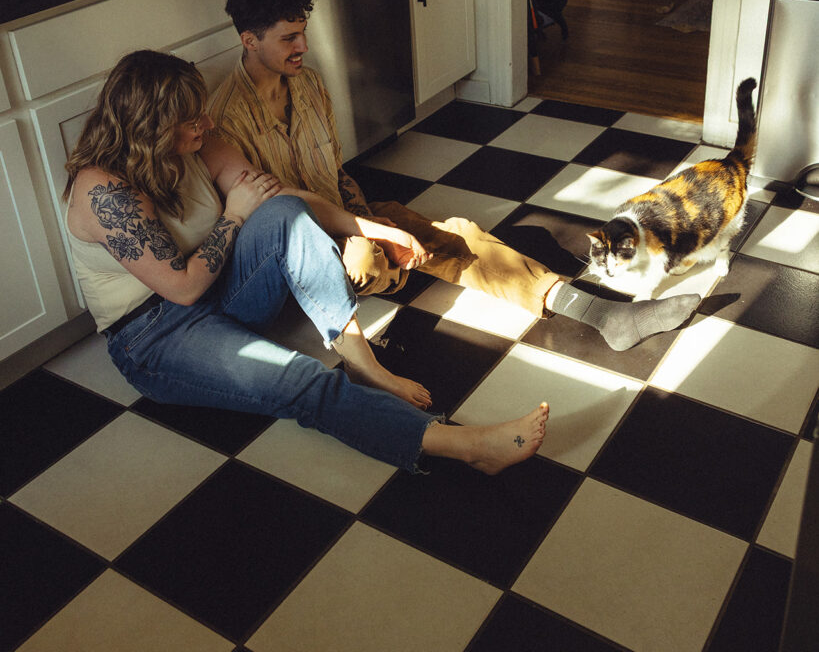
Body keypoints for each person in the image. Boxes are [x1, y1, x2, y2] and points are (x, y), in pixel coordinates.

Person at [63, 49, 550, 475]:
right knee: (296, 377)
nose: (207, 125)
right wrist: (233, 217)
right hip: (154, 334)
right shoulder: (103, 191)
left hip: (218, 291)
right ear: (150, 129)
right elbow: (184, 288)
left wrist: (370, 227)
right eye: (192, 120)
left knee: (285, 212)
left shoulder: (195, 144)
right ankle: (464, 446)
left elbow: (282, 196)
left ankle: (363, 362)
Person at [207, 0, 701, 352]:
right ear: (250, 41)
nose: (304, 46)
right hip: (302, 249)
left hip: (345, 218)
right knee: (367, 257)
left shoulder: (309, 84)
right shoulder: (226, 120)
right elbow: (284, 212)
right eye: (288, 39)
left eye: (303, 32)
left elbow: (335, 174)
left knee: (457, 234)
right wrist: (375, 234)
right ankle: (386, 264)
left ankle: (603, 316)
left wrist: (373, 217)